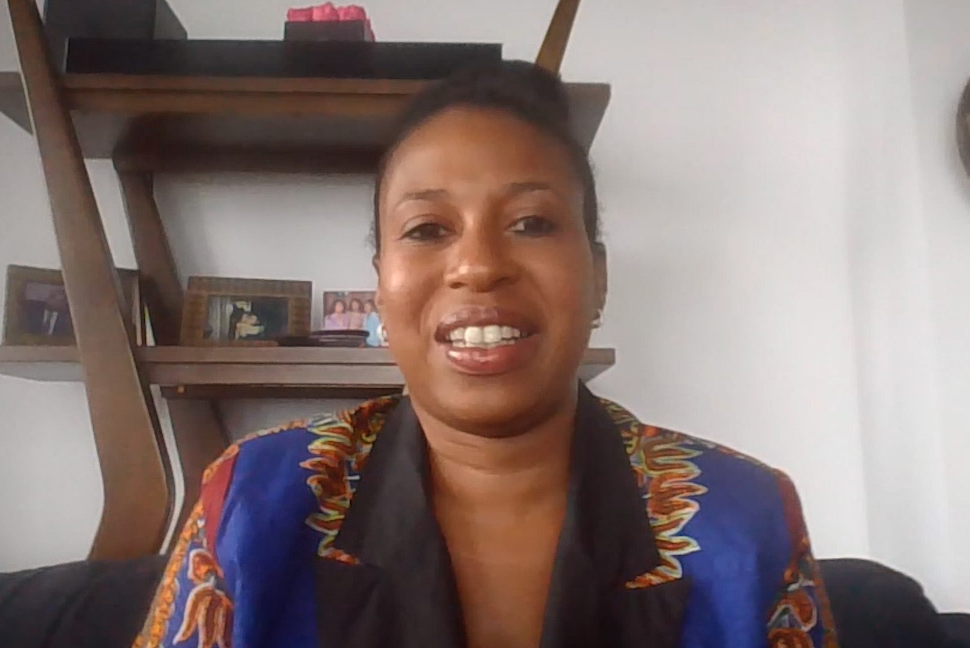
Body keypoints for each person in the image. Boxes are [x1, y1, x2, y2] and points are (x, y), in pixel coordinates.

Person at [135, 61, 836, 648]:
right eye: (428, 228)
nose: (477, 265)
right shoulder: (254, 502)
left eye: (531, 222)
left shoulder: (745, 520)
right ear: (380, 288)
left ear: (597, 278)